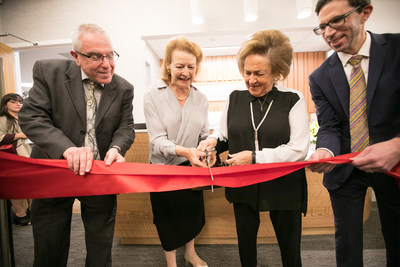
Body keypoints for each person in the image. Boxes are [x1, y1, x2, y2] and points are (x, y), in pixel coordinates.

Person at [18, 24, 135, 267]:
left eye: (110, 55)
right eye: (95, 56)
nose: (106, 63)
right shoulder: (48, 71)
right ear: (76, 57)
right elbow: (33, 118)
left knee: (100, 248)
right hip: (54, 172)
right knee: (49, 246)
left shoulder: (123, 88)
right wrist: (66, 148)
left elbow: (125, 128)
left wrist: (116, 149)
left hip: (99, 175)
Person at [198, 29, 309, 267]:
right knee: (246, 246)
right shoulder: (235, 98)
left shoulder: (294, 99)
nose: (251, 79)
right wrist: (212, 141)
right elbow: (224, 133)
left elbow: (299, 149)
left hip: (283, 184)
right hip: (243, 183)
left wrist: (256, 157)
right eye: (247, 72)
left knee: (290, 249)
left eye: (259, 73)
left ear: (278, 72)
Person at [308, 0, 400, 266]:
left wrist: (396, 146)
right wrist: (325, 150)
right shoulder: (320, 77)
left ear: (365, 13)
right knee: (346, 245)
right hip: (347, 171)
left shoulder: (395, 49)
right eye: (322, 26)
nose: (328, 32)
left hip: (394, 166)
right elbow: (330, 125)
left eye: (336, 20)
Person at [143, 37, 209, 267]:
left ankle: (190, 254)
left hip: (191, 168)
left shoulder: (201, 98)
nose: (186, 72)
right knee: (167, 219)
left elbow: (203, 134)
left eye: (191, 66)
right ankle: (171, 263)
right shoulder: (153, 94)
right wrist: (186, 151)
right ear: (168, 65)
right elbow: (157, 141)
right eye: (180, 66)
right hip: (162, 171)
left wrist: (206, 145)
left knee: (190, 215)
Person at [0, 93, 32, 226]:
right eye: (14, 102)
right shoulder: (3, 119)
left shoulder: (26, 117)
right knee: (16, 188)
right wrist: (20, 135)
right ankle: (20, 214)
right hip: (13, 157)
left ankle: (32, 211)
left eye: (20, 101)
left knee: (32, 186)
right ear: (6, 104)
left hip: (29, 155)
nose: (18, 104)